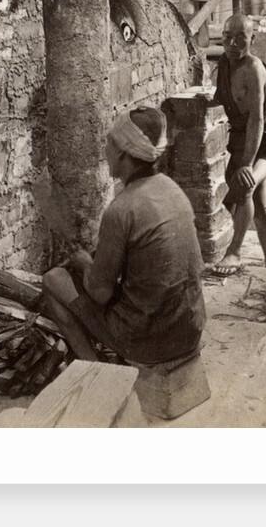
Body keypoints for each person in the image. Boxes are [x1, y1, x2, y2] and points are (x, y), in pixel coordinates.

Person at [41, 106, 206, 365]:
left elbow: (100, 293)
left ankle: (95, 369)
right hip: (190, 330)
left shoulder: (121, 209)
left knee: (53, 280)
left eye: (109, 143)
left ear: (122, 153)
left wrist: (84, 263)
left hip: (151, 344)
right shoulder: (173, 190)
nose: (105, 151)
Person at [211, 13, 266, 275]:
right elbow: (222, 97)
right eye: (227, 37)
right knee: (259, 212)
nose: (232, 44)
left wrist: (247, 163)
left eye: (241, 38)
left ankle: (234, 253)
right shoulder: (225, 62)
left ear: (252, 39)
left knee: (246, 184)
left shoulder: (254, 69)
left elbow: (257, 119)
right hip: (246, 138)